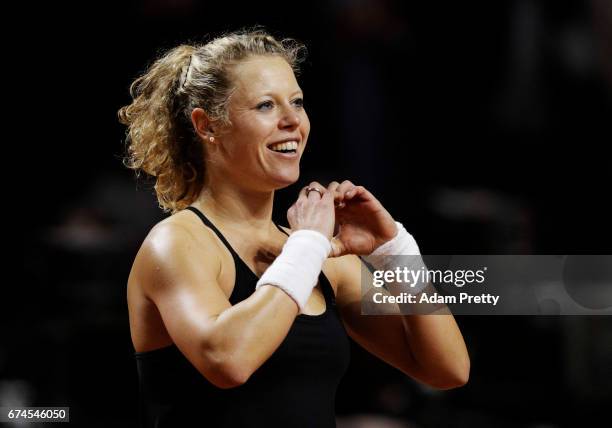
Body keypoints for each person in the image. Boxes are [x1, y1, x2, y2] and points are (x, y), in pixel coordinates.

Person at [119, 29, 469, 428]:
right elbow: (228, 360)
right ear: (206, 125)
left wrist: (395, 251)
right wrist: (305, 246)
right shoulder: (178, 243)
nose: (292, 121)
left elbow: (448, 369)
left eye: (297, 103)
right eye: (266, 105)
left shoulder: (321, 257)